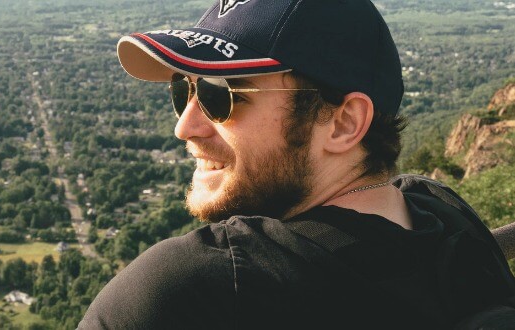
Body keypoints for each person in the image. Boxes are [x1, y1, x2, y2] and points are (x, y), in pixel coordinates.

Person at [79, 0, 515, 328]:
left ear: (343, 123)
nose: (186, 126)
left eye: (219, 94)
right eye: (183, 90)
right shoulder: (447, 217)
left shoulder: (199, 288)